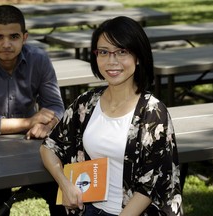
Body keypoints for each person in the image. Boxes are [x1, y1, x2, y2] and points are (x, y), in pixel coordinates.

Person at [40, 16, 182, 216]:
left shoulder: (153, 113)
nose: (111, 61)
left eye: (122, 52)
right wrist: (65, 184)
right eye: (104, 52)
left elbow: (150, 187)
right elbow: (49, 147)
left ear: (138, 56)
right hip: (89, 209)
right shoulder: (86, 104)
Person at [0, 5, 66, 216]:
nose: (6, 44)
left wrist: (49, 122)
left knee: (61, 198)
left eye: (14, 36)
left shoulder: (39, 60)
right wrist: (30, 121)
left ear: (25, 37)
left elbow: (56, 106)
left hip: (32, 146)